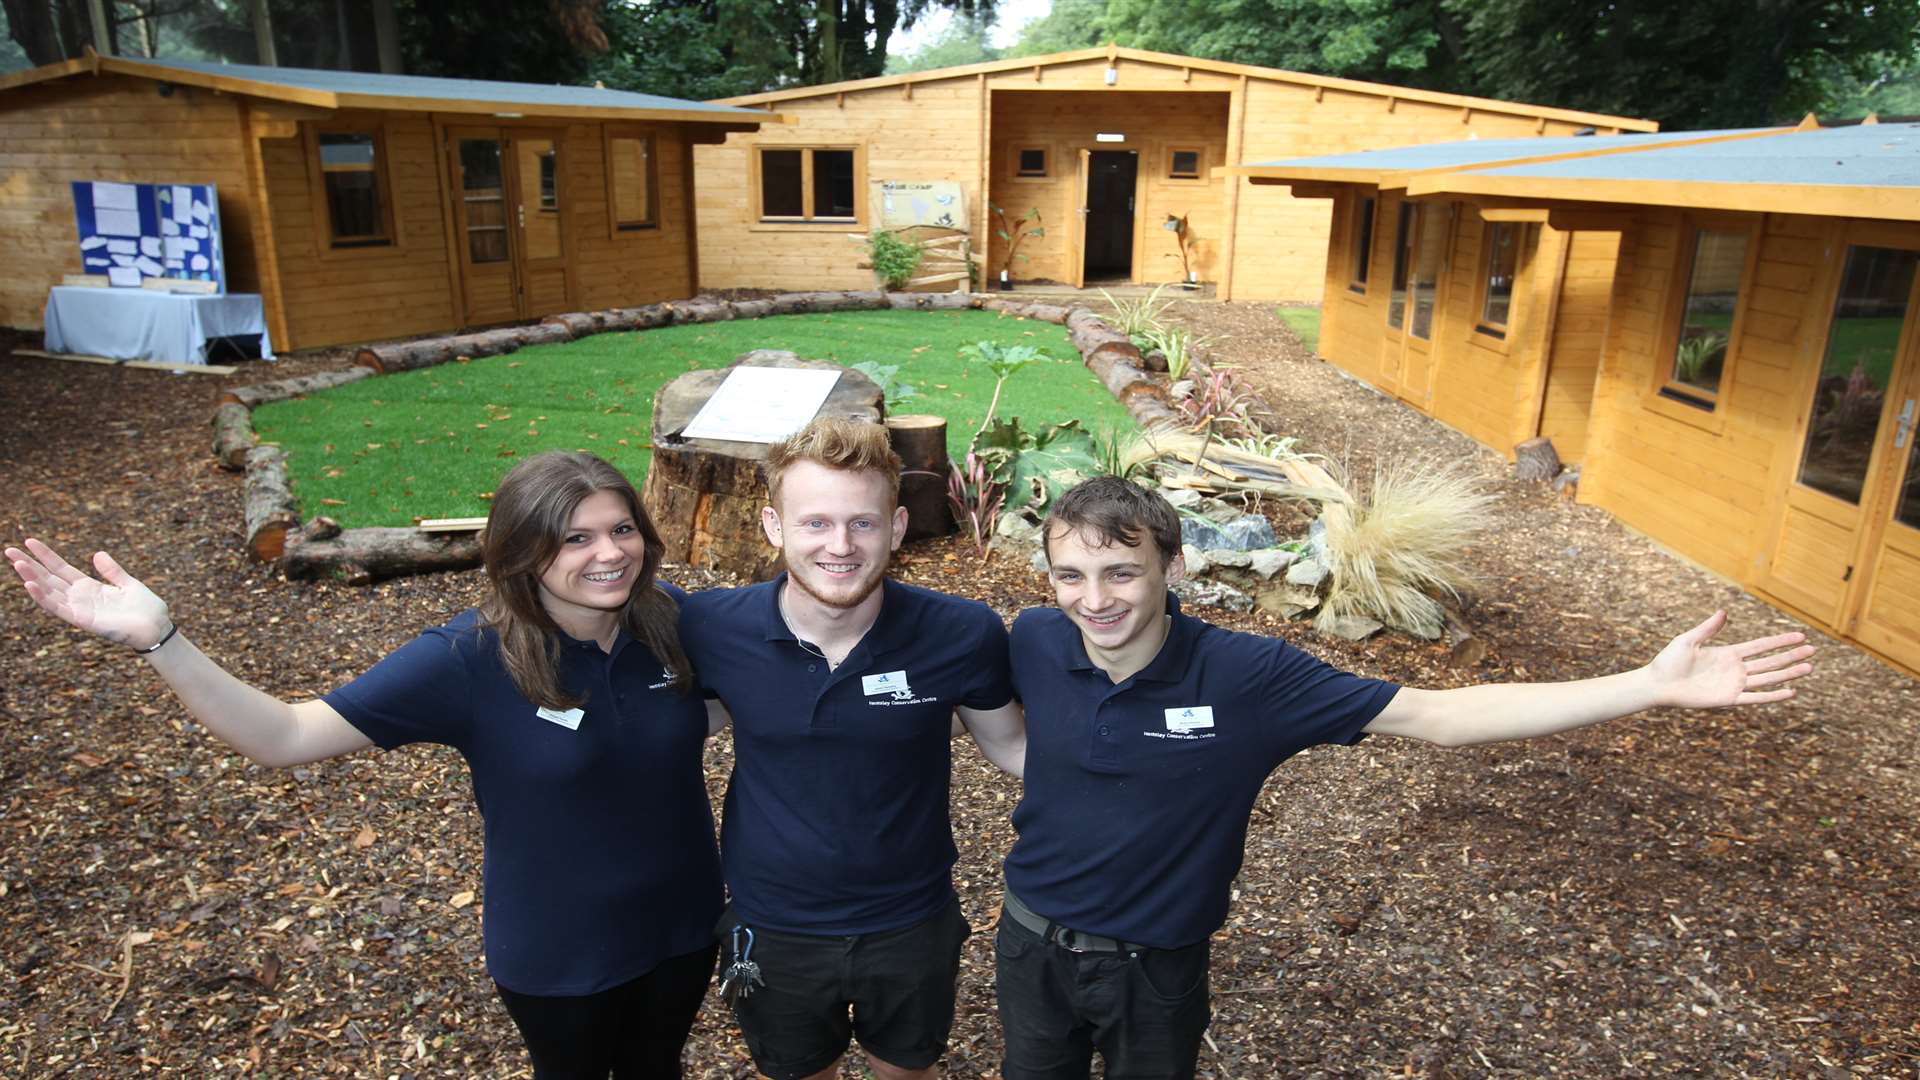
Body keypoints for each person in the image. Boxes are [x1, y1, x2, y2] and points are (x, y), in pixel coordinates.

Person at [995, 475, 1817, 1080]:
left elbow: (1441, 716)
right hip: (1029, 943)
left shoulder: (1246, 676)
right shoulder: (1034, 638)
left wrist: (1647, 685)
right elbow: (958, 696)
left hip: (1154, 965)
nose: (1093, 599)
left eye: (1121, 573)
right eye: (1070, 575)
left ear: (1171, 568)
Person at [7, 451, 726, 1080]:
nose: (609, 553)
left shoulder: (669, 625)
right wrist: (161, 640)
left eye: (621, 529)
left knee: (656, 1067)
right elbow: (285, 734)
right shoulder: (465, 661)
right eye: (576, 537)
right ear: (522, 553)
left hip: (683, 927)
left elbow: (727, 710)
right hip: (561, 950)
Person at [677, 417, 1026, 1080]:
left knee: (906, 1068)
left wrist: (1151, 775)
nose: (840, 545)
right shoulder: (713, 628)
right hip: (772, 924)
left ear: (896, 527)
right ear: (774, 527)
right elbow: (664, 731)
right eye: (814, 523)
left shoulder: (959, 634)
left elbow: (1014, 748)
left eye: (862, 523)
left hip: (911, 920)